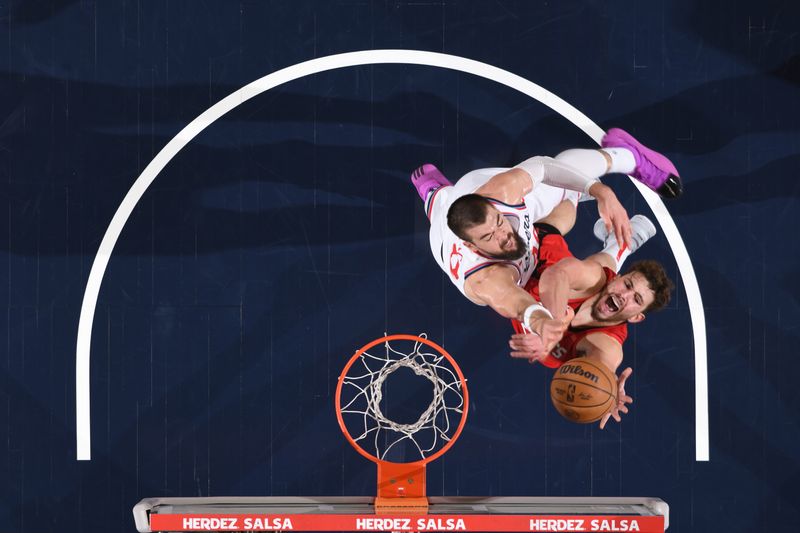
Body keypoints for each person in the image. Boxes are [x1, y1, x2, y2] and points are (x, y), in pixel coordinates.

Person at [411, 127, 680, 427]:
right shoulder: (485, 280)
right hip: (518, 264)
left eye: (499, 223)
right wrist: (549, 326)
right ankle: (434, 194)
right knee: (443, 208)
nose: (504, 235)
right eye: (491, 236)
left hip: (518, 229)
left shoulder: (502, 193)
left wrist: (601, 191)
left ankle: (627, 161)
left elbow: (543, 166)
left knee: (567, 186)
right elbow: (521, 305)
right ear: (474, 247)